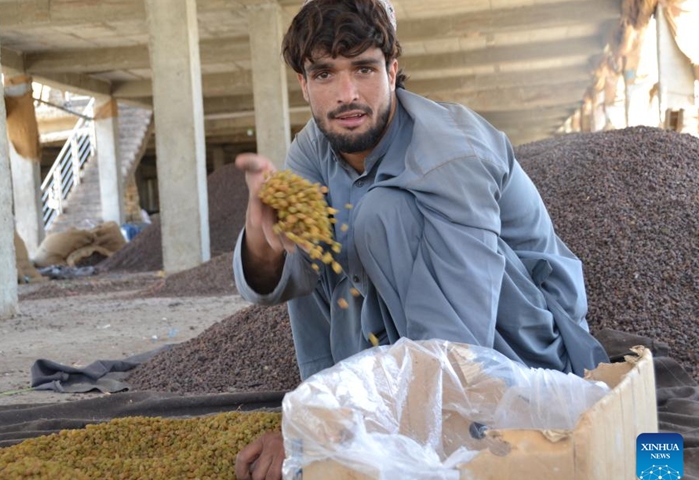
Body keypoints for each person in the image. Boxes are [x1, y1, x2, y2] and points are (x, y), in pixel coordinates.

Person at [232, 1, 609, 478]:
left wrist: (315, 436)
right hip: (408, 346)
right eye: (325, 75)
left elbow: (456, 349)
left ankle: (404, 433)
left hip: (517, 353)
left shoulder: (448, 157)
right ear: (304, 84)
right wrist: (262, 238)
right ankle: (348, 410)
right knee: (312, 230)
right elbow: (290, 278)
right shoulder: (315, 144)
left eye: (364, 69)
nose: (346, 94)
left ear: (392, 70)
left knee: (382, 214)